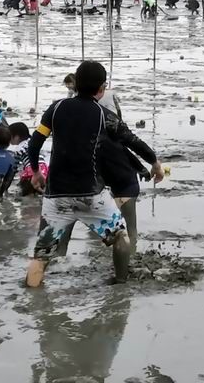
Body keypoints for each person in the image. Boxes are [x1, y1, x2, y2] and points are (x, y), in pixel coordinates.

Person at [25, 60, 130, 287]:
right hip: (91, 194)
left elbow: (34, 144)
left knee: (42, 255)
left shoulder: (56, 108)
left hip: (56, 197)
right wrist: (151, 163)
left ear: (75, 83)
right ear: (102, 88)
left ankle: (32, 298)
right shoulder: (102, 114)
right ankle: (121, 286)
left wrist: (36, 172)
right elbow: (127, 141)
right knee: (121, 237)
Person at [100, 106, 163, 254]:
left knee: (113, 230)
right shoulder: (106, 115)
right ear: (101, 89)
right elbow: (130, 140)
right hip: (120, 178)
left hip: (81, 182)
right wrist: (153, 162)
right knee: (128, 229)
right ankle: (128, 263)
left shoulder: (59, 110)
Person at [9, 122, 46, 196]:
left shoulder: (19, 149)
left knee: (26, 195)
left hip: (31, 171)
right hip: (44, 169)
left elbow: (13, 169)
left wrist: (6, 187)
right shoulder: (33, 142)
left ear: (16, 137)